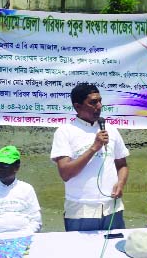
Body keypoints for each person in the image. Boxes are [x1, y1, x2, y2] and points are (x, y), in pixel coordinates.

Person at [50, 83, 129, 231]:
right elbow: (65, 173)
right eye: (93, 102)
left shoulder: (111, 129)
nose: (99, 106)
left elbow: (122, 164)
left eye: (100, 101)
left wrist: (121, 183)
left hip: (112, 207)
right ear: (78, 106)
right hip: (81, 209)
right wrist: (94, 148)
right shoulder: (65, 132)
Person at [0, 145, 42, 236]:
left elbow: (36, 221)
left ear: (16, 167)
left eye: (5, 165)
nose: (0, 168)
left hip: (24, 238)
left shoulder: (27, 189)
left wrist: (23, 237)